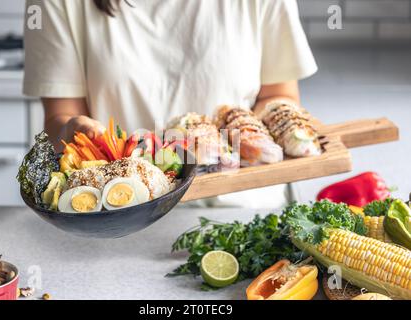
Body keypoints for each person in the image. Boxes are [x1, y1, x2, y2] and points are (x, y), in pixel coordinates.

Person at [24, 0, 317, 208]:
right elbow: (60, 118)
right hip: (125, 212)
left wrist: (249, 137)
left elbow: (278, 96)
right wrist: (72, 130)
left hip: (244, 207)